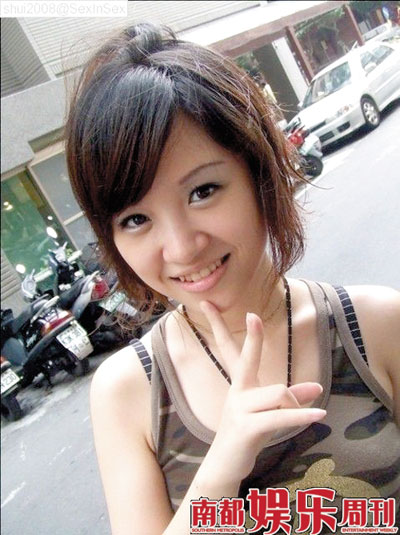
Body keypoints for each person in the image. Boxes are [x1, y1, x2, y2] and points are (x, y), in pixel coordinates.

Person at [64, 23, 400, 535]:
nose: (181, 248)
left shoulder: (374, 325)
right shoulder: (130, 392)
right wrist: (221, 468)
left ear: (258, 173)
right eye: (136, 219)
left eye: (202, 191)